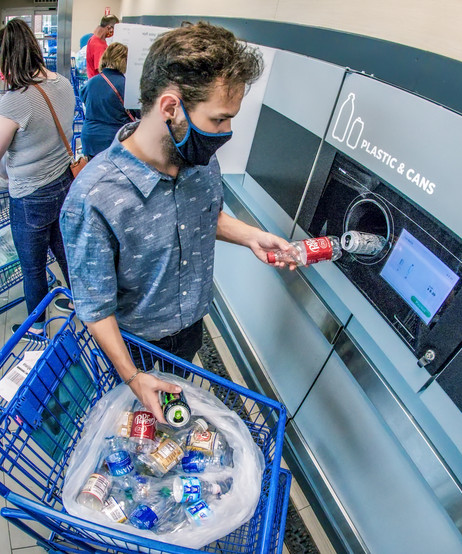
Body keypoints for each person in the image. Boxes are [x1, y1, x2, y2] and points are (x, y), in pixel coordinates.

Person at [60, 22, 298, 422]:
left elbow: (200, 218)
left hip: (190, 328)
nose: (226, 133)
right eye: (219, 120)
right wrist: (134, 377)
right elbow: (95, 307)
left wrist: (251, 236)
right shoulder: (94, 198)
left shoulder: (199, 161)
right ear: (171, 108)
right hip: (135, 345)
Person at [0, 18, 76, 338]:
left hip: (30, 196)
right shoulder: (62, 83)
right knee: (64, 251)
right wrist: (7, 122)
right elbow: (43, 123)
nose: (2, 76)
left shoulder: (15, 99)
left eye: (2, 68)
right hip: (63, 183)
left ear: (12, 58)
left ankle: (36, 327)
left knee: (33, 266)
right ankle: (81, 302)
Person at [80, 42, 137, 158]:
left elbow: (84, 99)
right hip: (113, 139)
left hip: (90, 138)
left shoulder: (91, 82)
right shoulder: (127, 85)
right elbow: (138, 112)